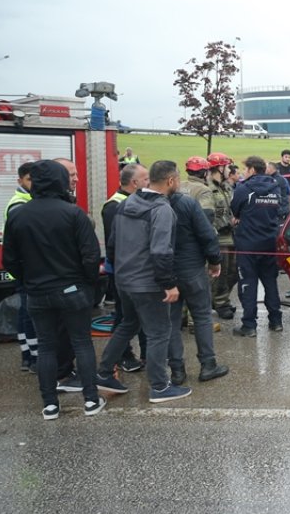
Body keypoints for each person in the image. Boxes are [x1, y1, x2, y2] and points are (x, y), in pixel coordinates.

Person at [2, 160, 104, 419]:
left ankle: (50, 404)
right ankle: (91, 400)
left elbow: (9, 260)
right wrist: (88, 284)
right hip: (72, 289)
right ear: (60, 181)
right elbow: (91, 255)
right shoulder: (73, 213)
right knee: (81, 342)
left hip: (37, 292)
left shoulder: (18, 215)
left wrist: (27, 280)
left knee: (46, 347)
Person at [96, 160, 191, 403]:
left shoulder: (126, 203)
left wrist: (122, 272)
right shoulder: (162, 210)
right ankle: (159, 386)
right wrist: (169, 284)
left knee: (128, 324)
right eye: (178, 179)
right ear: (171, 181)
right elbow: (161, 251)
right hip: (148, 283)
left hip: (124, 279)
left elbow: (113, 243)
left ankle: (104, 372)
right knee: (159, 332)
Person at [168, 162, 230, 383]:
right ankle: (207, 365)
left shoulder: (157, 202)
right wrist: (215, 261)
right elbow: (207, 230)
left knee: (172, 322)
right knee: (202, 316)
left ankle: (177, 371)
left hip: (167, 270)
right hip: (192, 268)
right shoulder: (198, 194)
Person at [231, 155, 289, 336]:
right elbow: (279, 209)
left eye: (245, 169)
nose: (242, 173)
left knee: (248, 284)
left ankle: (249, 325)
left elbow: (235, 210)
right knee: (270, 282)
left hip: (248, 244)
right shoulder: (275, 187)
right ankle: (276, 321)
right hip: (269, 242)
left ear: (252, 170)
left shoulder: (243, 188)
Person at [103, 164, 149, 373]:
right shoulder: (114, 206)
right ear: (134, 183)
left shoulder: (134, 201)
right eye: (145, 178)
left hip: (132, 271)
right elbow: (116, 243)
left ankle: (145, 355)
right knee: (123, 317)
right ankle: (123, 356)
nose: (148, 182)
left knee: (137, 317)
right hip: (123, 272)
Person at [5, 161, 37, 372]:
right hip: (27, 269)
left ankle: (28, 355)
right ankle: (31, 357)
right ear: (20, 181)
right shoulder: (19, 204)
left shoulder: (28, 200)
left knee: (26, 312)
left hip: (27, 268)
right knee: (27, 313)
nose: (33, 183)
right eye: (29, 179)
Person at [206, 153, 239, 319]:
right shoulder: (208, 188)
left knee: (233, 271)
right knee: (221, 272)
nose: (229, 170)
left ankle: (221, 299)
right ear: (219, 168)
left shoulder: (226, 187)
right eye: (227, 166)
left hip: (230, 236)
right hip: (218, 237)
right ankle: (220, 303)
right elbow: (208, 215)